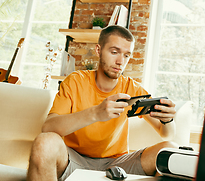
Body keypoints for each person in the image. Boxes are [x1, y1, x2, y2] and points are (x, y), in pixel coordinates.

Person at [27, 25, 177, 181]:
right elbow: (48, 127)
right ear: (98, 50)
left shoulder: (132, 88)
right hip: (74, 159)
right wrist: (96, 113)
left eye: (126, 55)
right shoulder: (75, 81)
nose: (120, 61)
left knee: (171, 151)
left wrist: (168, 120)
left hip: (117, 163)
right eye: (114, 52)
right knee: (44, 143)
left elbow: (167, 134)